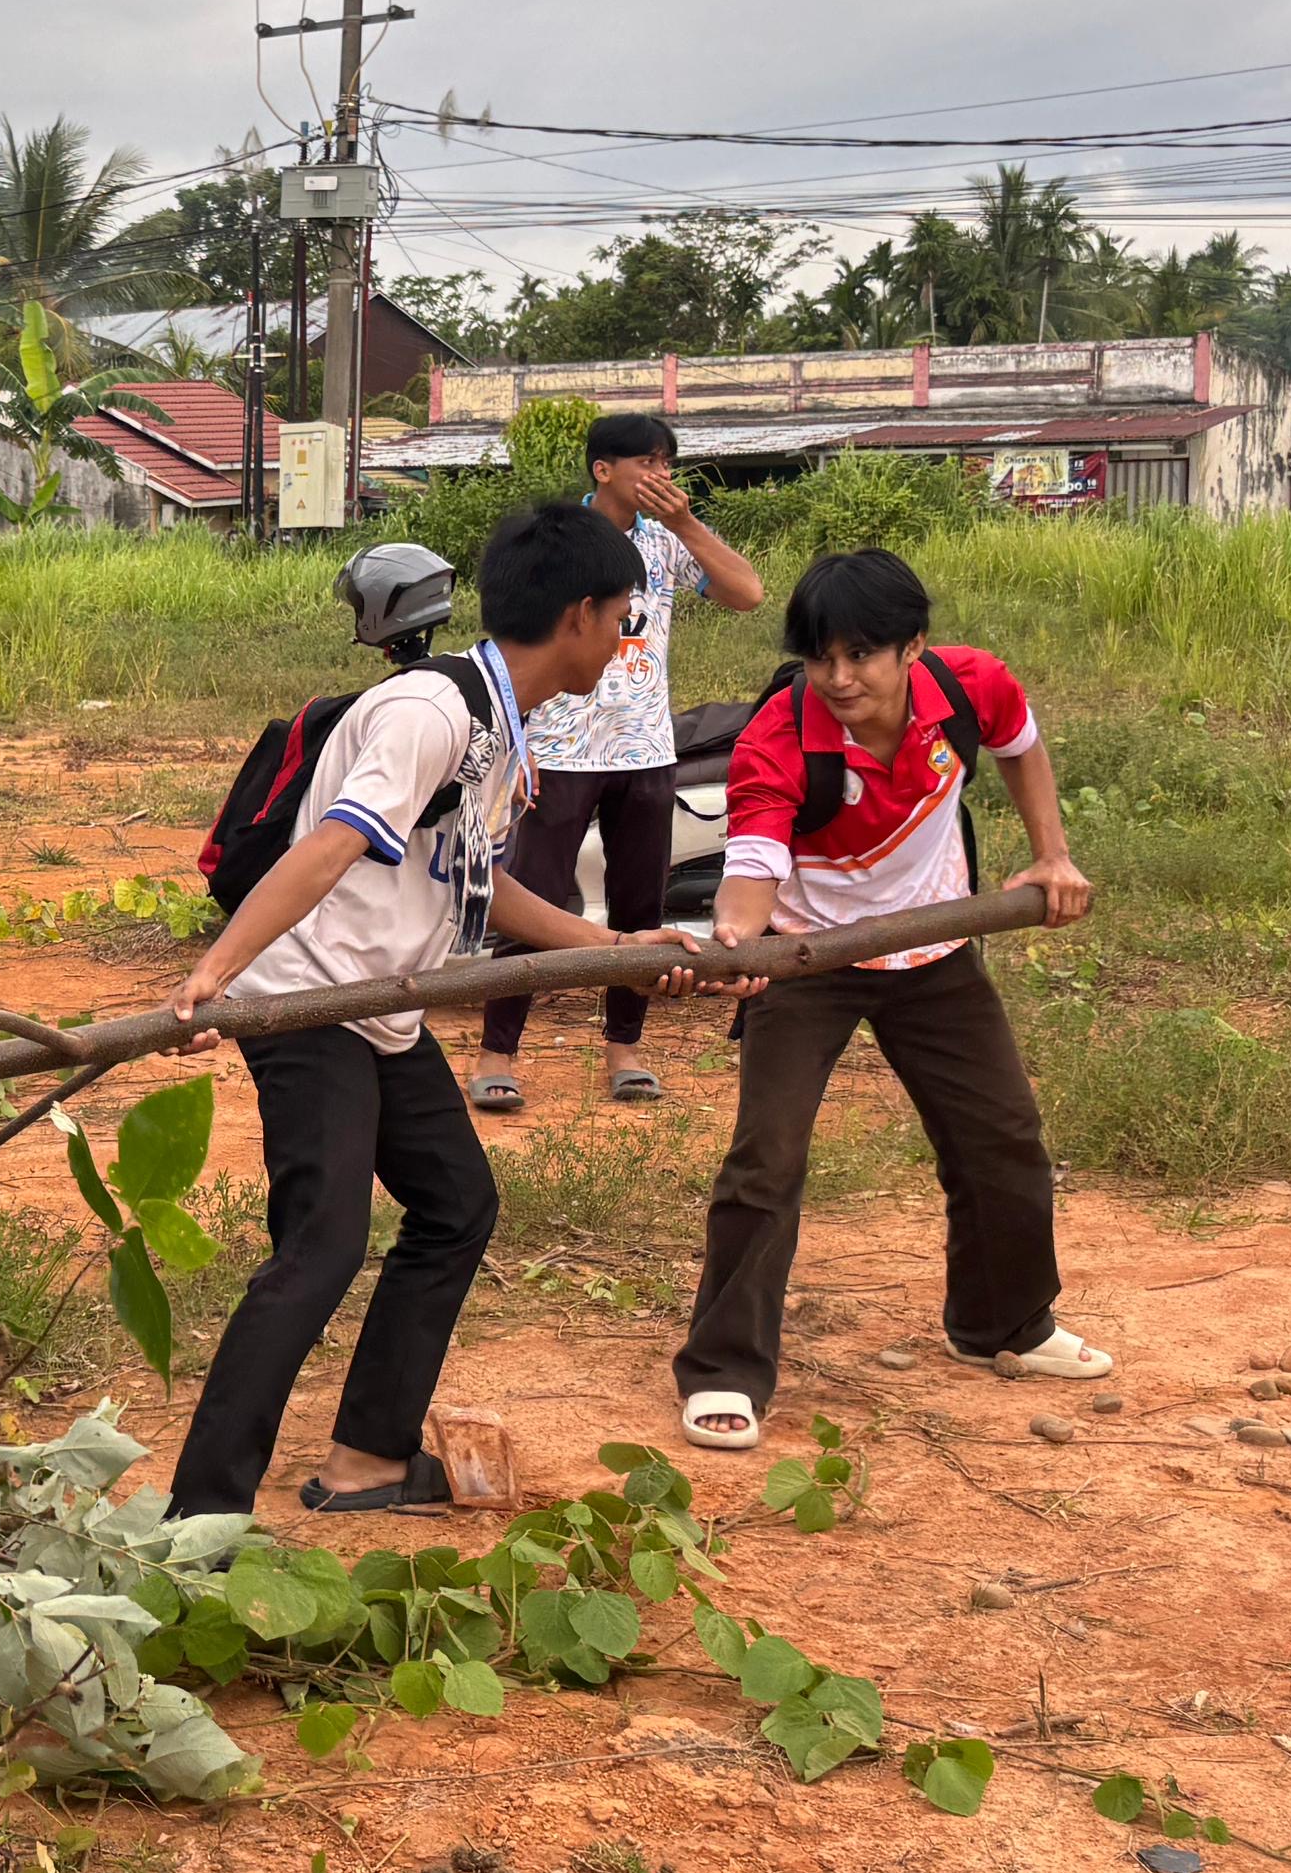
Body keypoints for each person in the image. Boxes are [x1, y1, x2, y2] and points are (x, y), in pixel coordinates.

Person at [164, 507, 725, 1519]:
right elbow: (331, 845)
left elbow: (479, 889)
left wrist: (615, 949)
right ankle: (198, 1519)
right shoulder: (428, 713)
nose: (624, 639)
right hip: (306, 1003)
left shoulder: (499, 730)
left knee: (455, 1204)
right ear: (579, 615)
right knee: (321, 1248)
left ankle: (367, 1462)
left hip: (383, 1011)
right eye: (623, 618)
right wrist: (218, 971)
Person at [670, 547, 1100, 1455]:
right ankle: (724, 1372)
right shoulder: (777, 740)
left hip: (934, 949)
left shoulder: (971, 688)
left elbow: (1023, 751)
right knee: (766, 1161)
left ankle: (1002, 1325)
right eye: (821, 658)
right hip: (807, 963)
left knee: (1003, 1137)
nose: (838, 678)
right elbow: (750, 873)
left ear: (913, 646)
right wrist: (739, 950)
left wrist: (1052, 855)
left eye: (860, 656)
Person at [472, 411, 765, 1114]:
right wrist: (518, 746)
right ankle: (495, 1053)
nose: (661, 476)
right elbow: (513, 640)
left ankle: (624, 1050)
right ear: (603, 470)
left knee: (640, 903)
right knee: (533, 898)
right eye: (647, 463)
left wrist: (690, 526)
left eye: (668, 463)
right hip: (561, 749)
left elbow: (748, 594)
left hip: (646, 751)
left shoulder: (667, 543)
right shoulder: (562, 542)